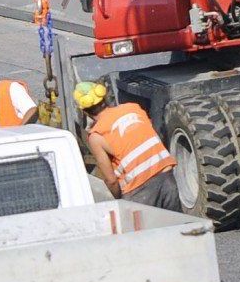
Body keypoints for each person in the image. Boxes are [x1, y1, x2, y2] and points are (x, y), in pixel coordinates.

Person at [76, 81, 182, 210]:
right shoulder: (133, 108)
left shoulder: (96, 136)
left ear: (85, 111)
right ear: (104, 98)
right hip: (166, 176)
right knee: (177, 225)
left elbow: (111, 180)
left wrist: (117, 200)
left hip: (139, 190)